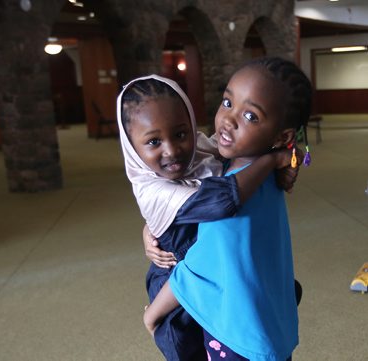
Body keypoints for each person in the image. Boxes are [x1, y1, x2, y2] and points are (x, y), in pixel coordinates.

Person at [117, 74, 301, 361]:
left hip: (219, 272)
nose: (172, 150)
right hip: (178, 284)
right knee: (186, 347)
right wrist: (272, 161)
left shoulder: (201, 148)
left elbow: (236, 143)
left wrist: (288, 150)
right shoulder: (150, 187)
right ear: (131, 148)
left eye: (180, 134)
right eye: (153, 142)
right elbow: (222, 200)